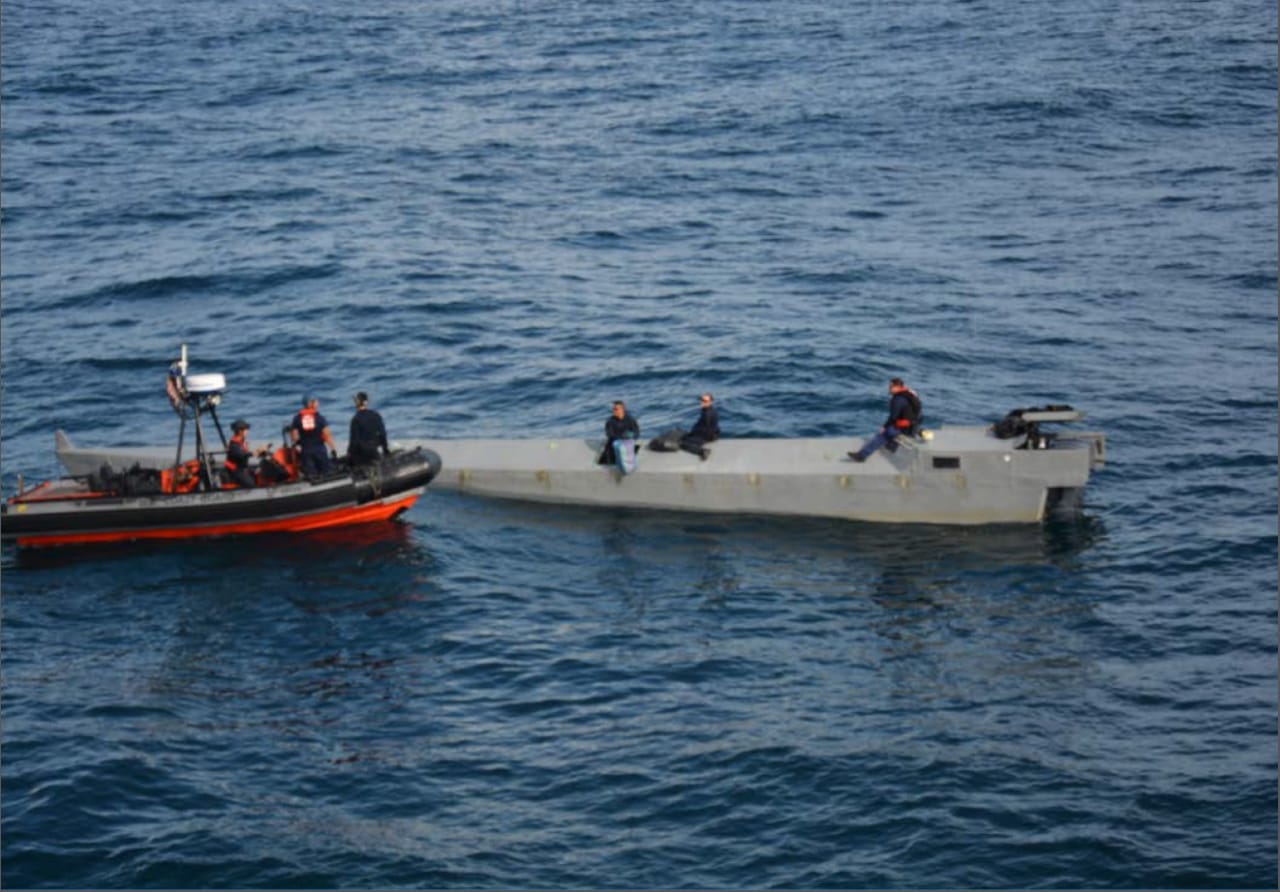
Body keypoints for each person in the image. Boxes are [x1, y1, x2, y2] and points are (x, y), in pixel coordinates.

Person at [849, 378, 922, 462]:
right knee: (889, 431)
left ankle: (862, 456)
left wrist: (884, 427)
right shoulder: (910, 395)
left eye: (891, 386)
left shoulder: (898, 399)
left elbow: (893, 417)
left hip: (905, 428)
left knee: (883, 435)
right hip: (913, 425)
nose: (889, 388)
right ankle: (892, 444)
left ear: (897, 387)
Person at [291, 394, 338, 477]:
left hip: (306, 452)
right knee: (328, 473)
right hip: (320, 451)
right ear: (311, 403)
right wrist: (333, 449)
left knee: (312, 475)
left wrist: (299, 444)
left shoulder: (297, 419)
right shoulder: (319, 418)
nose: (318, 403)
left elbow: (294, 438)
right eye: (316, 402)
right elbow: (327, 436)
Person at [348, 391, 389, 466]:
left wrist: (349, 455)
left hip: (362, 452)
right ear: (367, 402)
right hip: (374, 449)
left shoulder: (355, 419)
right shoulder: (375, 415)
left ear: (356, 403)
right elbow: (383, 434)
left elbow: (354, 441)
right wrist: (385, 449)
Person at [223, 418, 267, 487]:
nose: (247, 431)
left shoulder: (241, 441)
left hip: (242, 469)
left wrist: (259, 451)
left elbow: (245, 453)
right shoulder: (234, 445)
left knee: (258, 474)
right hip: (236, 472)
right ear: (240, 431)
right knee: (251, 485)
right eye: (246, 429)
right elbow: (242, 455)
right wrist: (257, 452)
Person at [598, 400, 640, 467]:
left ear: (622, 410)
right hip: (614, 445)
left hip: (627, 444)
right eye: (613, 409)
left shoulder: (630, 419)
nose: (613, 411)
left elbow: (636, 433)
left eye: (615, 409)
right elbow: (610, 435)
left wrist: (631, 436)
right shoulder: (610, 421)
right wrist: (622, 437)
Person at [679, 392, 720, 460]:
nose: (702, 402)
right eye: (701, 400)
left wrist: (696, 435)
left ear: (710, 402)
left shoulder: (707, 413)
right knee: (685, 437)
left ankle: (702, 451)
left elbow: (708, 429)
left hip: (706, 436)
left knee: (683, 444)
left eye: (705, 401)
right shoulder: (708, 410)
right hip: (707, 433)